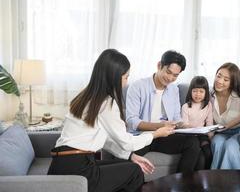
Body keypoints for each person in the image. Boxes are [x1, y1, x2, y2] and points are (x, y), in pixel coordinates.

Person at [47, 49, 174, 192]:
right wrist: (156, 133)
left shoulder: (87, 97)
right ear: (114, 77)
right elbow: (127, 142)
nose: (126, 83)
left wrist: (131, 156)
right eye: (126, 77)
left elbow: (104, 139)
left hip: (62, 164)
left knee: (129, 167)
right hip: (78, 168)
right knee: (134, 172)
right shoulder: (107, 103)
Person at [126, 50, 204, 173]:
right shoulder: (138, 86)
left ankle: (181, 184)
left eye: (175, 75)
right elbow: (132, 122)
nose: (170, 78)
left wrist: (186, 126)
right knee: (124, 155)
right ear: (159, 66)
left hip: (164, 136)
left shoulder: (174, 89)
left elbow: (176, 117)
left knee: (193, 143)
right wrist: (160, 126)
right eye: (168, 72)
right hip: (141, 136)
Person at [210, 62, 240, 169]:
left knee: (230, 146)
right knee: (216, 143)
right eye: (218, 76)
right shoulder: (209, 96)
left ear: (232, 83)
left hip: (238, 133)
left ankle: (232, 180)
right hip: (220, 133)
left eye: (226, 79)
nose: (219, 81)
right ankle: (215, 177)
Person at [181, 76, 214, 169]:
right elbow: (184, 125)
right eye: (195, 91)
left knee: (208, 153)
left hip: (202, 135)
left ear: (206, 92)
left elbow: (209, 123)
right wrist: (195, 128)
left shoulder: (208, 105)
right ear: (190, 91)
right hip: (190, 136)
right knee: (198, 155)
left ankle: (207, 176)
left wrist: (211, 137)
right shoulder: (185, 107)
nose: (197, 94)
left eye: (201, 91)